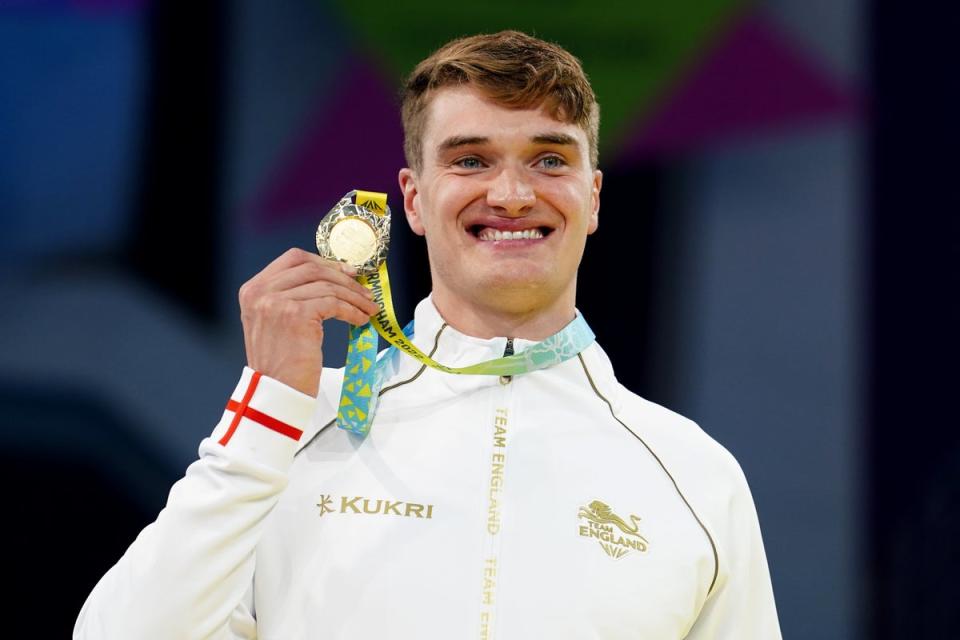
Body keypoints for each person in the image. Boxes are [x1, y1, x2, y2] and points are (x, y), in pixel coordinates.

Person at [74, 30, 781, 639]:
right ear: (413, 199)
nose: (510, 194)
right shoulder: (294, 431)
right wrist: (264, 413)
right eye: (470, 159)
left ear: (592, 197)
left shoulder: (693, 474)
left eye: (549, 159)